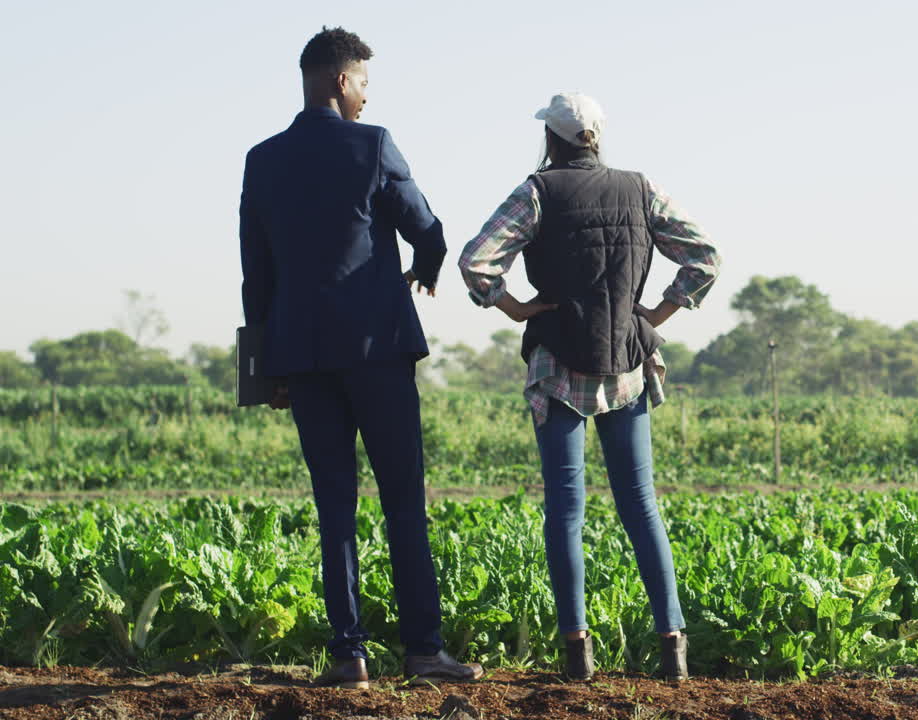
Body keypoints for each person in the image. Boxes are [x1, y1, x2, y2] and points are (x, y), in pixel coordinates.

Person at [239, 26, 482, 688]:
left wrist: (265, 370)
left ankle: (350, 657)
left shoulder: (262, 160)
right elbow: (426, 227)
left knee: (334, 507)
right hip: (378, 351)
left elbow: (254, 276)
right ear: (342, 81)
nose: (369, 97)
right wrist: (425, 270)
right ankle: (423, 652)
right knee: (404, 501)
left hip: (304, 358)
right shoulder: (372, 145)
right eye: (365, 83)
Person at [458, 92, 722, 682]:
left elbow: (478, 260)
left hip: (558, 364)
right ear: (596, 139)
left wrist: (516, 308)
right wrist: (654, 315)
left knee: (566, 513)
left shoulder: (538, 191)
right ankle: (673, 646)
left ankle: (577, 653)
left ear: (551, 139)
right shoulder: (640, 188)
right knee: (642, 507)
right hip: (627, 359)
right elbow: (704, 255)